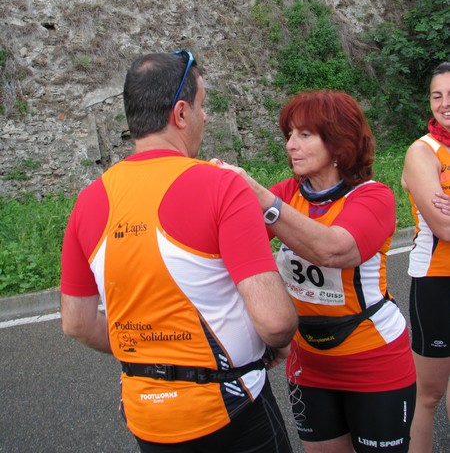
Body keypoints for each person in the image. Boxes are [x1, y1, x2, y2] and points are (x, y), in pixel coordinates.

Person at [60, 50, 298, 453]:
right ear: (182, 113)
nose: (205, 118)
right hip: (231, 408)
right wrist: (271, 342)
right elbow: (275, 321)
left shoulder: (89, 200)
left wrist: (152, 352)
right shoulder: (221, 186)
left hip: (147, 416)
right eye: (203, 107)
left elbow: (77, 323)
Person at [212, 90, 416, 453]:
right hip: (308, 358)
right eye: (289, 134)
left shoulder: (374, 197)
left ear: (339, 143)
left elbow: (335, 249)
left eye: (304, 135)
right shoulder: (288, 193)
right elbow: (226, 245)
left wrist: (261, 200)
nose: (291, 145)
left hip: (373, 356)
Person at [401, 61, 450, 453]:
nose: (445, 103)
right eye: (437, 96)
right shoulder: (423, 152)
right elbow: (444, 227)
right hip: (438, 282)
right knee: (429, 394)